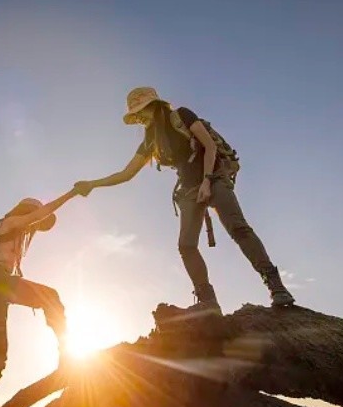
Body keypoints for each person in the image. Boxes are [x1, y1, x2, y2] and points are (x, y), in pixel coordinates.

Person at [74, 87, 294, 311]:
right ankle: (208, 302)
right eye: (134, 115)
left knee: (238, 228)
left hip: (214, 177)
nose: (138, 118)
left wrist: (208, 181)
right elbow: (126, 174)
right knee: (186, 245)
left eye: (139, 111)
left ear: (154, 105)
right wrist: (92, 184)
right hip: (188, 189)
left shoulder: (181, 115)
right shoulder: (150, 141)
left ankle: (276, 287)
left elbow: (209, 146)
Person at [0, 191, 78, 407]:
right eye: (34, 219)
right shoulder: (10, 222)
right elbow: (41, 214)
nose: (36, 227)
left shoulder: (11, 231)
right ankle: (67, 356)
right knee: (51, 297)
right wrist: (71, 194)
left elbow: (39, 220)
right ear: (25, 211)